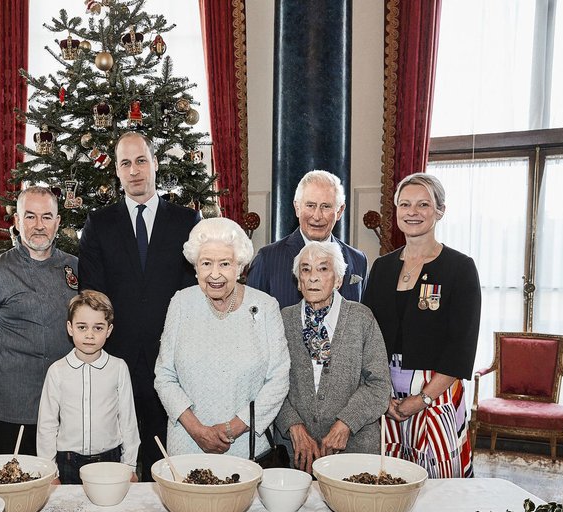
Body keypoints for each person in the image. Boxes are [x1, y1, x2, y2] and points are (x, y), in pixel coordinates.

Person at [79, 131, 199, 480]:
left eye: (141, 160)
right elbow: (93, 293)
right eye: (125, 163)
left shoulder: (186, 222)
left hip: (172, 362)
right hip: (117, 359)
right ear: (116, 171)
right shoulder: (99, 224)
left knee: (167, 461)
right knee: (121, 460)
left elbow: (194, 292)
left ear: (155, 164)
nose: (134, 171)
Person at [362, 172, 481, 478]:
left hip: (437, 391)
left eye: (423, 204)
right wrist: (379, 393)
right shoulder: (382, 267)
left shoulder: (460, 268)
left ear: (439, 211)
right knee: (388, 479)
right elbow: (367, 334)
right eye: (405, 204)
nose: (412, 212)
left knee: (438, 484)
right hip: (385, 391)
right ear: (397, 211)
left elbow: (461, 346)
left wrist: (424, 397)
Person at [154, 218, 290, 460]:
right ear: (195, 267)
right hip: (187, 444)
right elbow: (164, 375)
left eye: (225, 264)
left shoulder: (266, 306)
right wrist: (197, 431)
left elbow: (278, 380)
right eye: (206, 263)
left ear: (239, 267)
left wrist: (231, 429)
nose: (214, 274)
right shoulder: (181, 303)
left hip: (247, 447)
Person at [0, 186, 78, 456]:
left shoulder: (76, 268)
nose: (39, 226)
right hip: (13, 403)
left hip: (66, 403)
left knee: (65, 486)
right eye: (30, 217)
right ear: (17, 222)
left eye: (46, 217)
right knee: (16, 483)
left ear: (58, 222)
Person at [275, 241, 392, 472]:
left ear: (338, 280)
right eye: (306, 270)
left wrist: (345, 423)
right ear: (298, 281)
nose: (313, 277)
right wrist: (293, 426)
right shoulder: (282, 320)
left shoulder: (361, 318)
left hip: (355, 449)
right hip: (298, 453)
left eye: (323, 269)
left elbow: (379, 385)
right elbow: (270, 384)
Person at [36, 290, 139, 484]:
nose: (90, 335)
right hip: (68, 463)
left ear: (108, 330)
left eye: (98, 328)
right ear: (70, 328)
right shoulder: (57, 370)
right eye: (82, 327)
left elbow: (128, 421)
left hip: (111, 462)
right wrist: (50, 472)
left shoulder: (118, 368)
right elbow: (47, 426)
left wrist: (130, 466)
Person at [246, 170, 367, 309]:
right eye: (310, 205)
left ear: (339, 211)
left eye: (326, 206)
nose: (317, 216)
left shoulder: (358, 260)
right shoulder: (268, 259)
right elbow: (250, 321)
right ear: (297, 208)